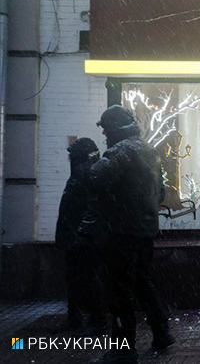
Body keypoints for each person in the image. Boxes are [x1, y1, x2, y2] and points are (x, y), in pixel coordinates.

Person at [87, 105, 174, 364]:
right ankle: (161, 331)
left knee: (119, 291)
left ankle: (124, 349)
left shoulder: (119, 152)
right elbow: (160, 192)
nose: (104, 135)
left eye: (105, 129)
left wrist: (92, 162)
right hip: (145, 231)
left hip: (121, 232)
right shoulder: (149, 150)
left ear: (114, 128)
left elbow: (95, 180)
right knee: (143, 283)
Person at [53, 138, 106, 335]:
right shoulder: (84, 174)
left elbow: (83, 208)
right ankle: (83, 318)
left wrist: (79, 233)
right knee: (80, 279)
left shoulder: (85, 175)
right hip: (79, 236)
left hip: (81, 237)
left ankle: (94, 320)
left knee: (85, 279)